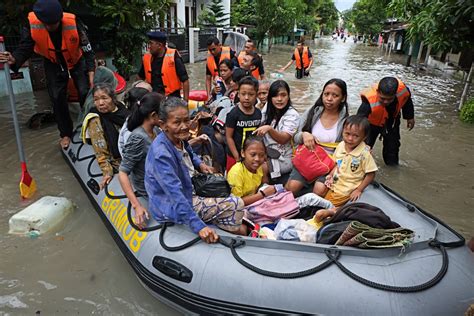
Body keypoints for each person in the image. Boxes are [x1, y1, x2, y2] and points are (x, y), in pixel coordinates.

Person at [145, 97, 246, 243]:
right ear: (163, 124)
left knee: (225, 189)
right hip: (171, 205)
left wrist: (200, 164)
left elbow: (189, 151)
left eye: (187, 120)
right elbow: (175, 194)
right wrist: (198, 227)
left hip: (189, 186)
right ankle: (231, 235)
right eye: (177, 122)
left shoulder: (179, 137)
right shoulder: (162, 154)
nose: (184, 126)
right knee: (237, 203)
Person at [0, 0, 95, 149]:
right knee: (57, 96)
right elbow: (25, 47)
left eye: (54, 24)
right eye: (47, 24)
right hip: (52, 61)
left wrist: (91, 73)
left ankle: (90, 126)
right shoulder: (32, 24)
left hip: (76, 59)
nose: (50, 27)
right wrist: (14, 59)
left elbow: (88, 50)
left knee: (84, 90)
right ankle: (65, 133)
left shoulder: (74, 22)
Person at [285, 79, 349, 195]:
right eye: (326, 94)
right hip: (308, 158)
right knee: (292, 187)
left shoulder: (346, 121)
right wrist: (304, 135)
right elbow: (294, 136)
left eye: (335, 95)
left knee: (319, 191)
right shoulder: (313, 112)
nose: (329, 99)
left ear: (343, 98)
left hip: (329, 164)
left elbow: (350, 147)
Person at [314, 115, 378, 218]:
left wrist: (359, 190)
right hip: (335, 183)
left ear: (364, 137)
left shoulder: (364, 153)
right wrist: (330, 176)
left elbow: (371, 174)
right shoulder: (341, 146)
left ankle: (332, 213)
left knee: (326, 207)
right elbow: (338, 164)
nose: (350, 138)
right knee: (321, 198)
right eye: (347, 134)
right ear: (342, 131)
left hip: (346, 188)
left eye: (355, 136)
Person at [118, 92, 164, 229]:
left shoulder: (156, 130)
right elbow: (123, 172)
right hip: (149, 189)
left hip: (161, 181)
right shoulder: (138, 138)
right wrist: (137, 205)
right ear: (153, 115)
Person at [357, 76, 415, 166]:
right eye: (382, 98)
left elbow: (407, 101)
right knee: (364, 148)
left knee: (392, 147)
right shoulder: (368, 101)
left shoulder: (402, 91)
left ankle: (393, 168)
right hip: (371, 124)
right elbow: (359, 120)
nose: (386, 102)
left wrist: (410, 117)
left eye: (389, 99)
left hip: (391, 121)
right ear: (377, 92)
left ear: (395, 94)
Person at [81, 83, 129, 189]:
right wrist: (107, 172)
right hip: (117, 160)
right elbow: (100, 148)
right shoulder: (95, 119)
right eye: (96, 99)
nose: (100, 103)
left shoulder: (122, 109)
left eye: (104, 98)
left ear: (112, 98)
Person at [254, 80, 300, 184]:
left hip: (284, 158)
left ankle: (265, 193)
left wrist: (269, 129)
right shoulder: (268, 109)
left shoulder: (292, 114)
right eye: (275, 96)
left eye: (283, 95)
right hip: (266, 153)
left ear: (288, 96)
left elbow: (283, 139)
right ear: (270, 98)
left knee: (261, 168)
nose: (279, 99)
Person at [227, 136, 284, 205]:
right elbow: (236, 202)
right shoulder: (236, 173)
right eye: (253, 155)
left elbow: (262, 184)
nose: (257, 159)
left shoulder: (259, 167)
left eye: (261, 155)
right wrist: (262, 194)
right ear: (243, 153)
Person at [138, 31, 189, 100]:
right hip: (154, 97)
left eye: (151, 43)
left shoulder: (174, 57)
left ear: (159, 45)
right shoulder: (147, 58)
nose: (149, 46)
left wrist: (185, 102)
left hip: (172, 97)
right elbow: (139, 77)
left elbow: (185, 80)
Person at [225, 76, 262, 172]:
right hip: (234, 155)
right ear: (238, 94)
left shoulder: (258, 113)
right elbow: (229, 137)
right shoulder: (233, 114)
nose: (246, 98)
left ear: (256, 95)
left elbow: (258, 137)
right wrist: (237, 157)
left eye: (251, 94)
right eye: (243, 94)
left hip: (252, 157)